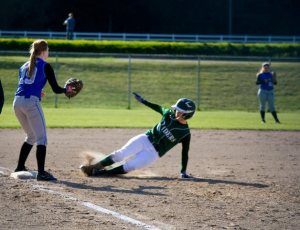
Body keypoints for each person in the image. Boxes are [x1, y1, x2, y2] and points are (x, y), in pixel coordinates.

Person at [80, 93, 196, 179]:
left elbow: (185, 152)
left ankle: (101, 173)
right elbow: (158, 107)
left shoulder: (185, 133)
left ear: (187, 115)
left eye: (180, 111)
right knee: (120, 154)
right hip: (145, 139)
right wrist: (144, 101)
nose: (176, 112)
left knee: (130, 166)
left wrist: (183, 171)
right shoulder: (168, 114)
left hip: (153, 154)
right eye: (176, 109)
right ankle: (94, 167)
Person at [13, 39, 73, 181]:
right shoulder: (46, 66)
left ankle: (20, 166)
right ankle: (41, 173)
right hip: (31, 103)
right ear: (44, 51)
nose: (48, 52)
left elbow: (24, 85)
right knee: (42, 138)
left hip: (17, 103)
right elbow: (56, 89)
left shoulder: (23, 66)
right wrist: (67, 90)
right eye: (48, 50)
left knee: (31, 136)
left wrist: (37, 92)